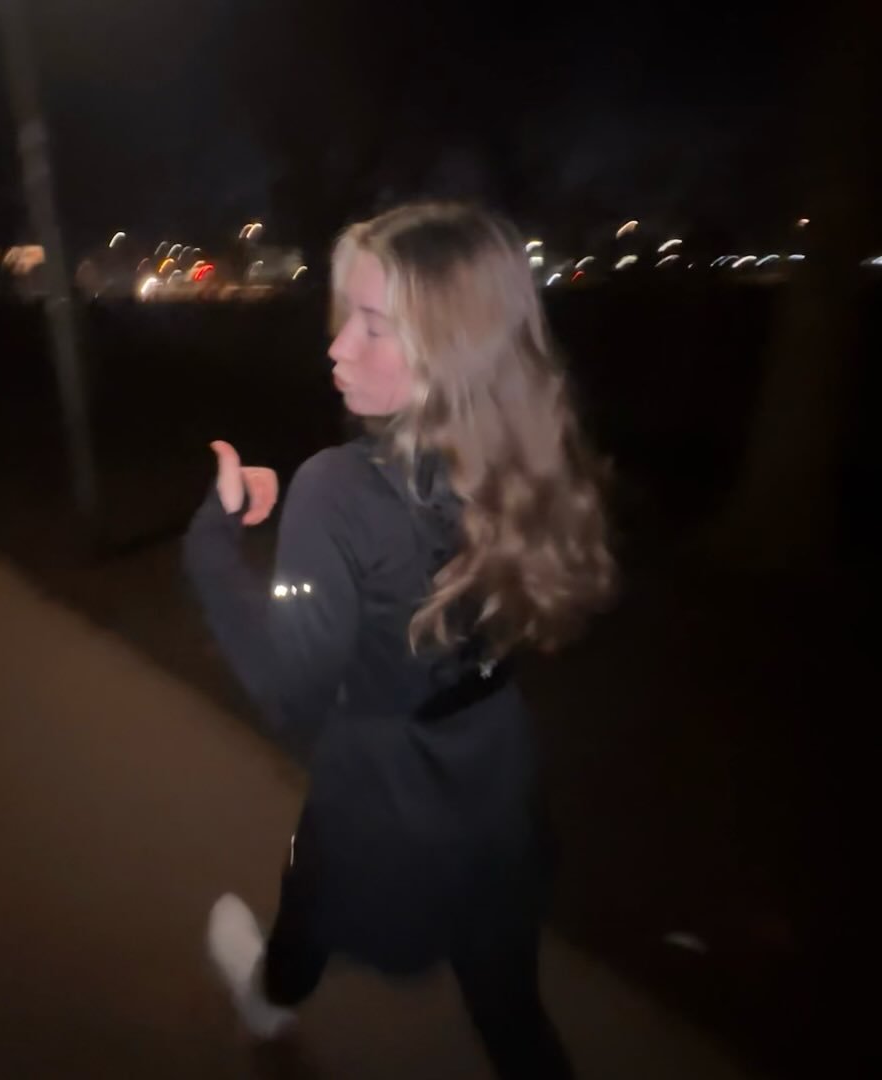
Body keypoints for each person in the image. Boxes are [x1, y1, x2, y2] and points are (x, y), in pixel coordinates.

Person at [182, 202, 616, 1077]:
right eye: (347, 316)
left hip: (380, 785)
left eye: (375, 328)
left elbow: (288, 686)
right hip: (494, 771)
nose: (338, 348)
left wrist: (214, 542)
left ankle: (268, 999)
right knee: (507, 997)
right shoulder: (527, 457)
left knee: (314, 901)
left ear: (455, 349)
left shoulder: (337, 489)